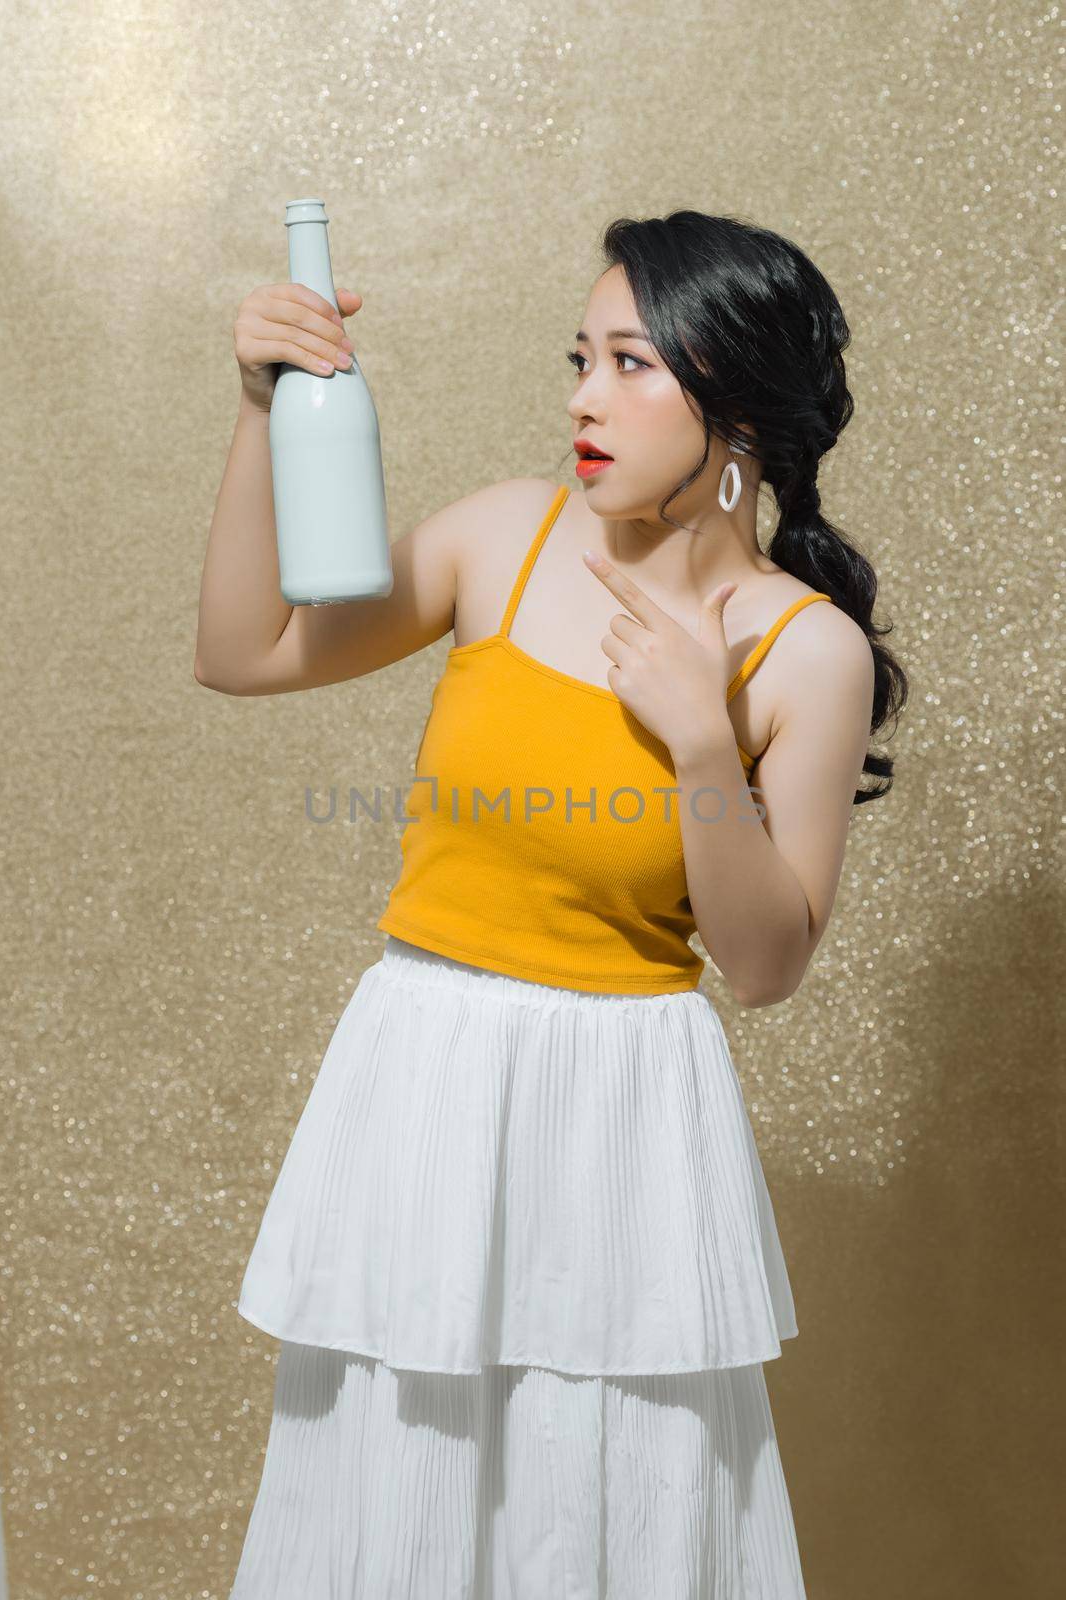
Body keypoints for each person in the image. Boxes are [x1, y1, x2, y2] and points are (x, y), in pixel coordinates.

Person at [195, 208, 908, 1598]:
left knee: (608, 1513)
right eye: (581, 357)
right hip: (422, 1074)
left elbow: (764, 966)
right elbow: (243, 650)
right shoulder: (506, 538)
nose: (585, 395)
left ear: (739, 407)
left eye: (633, 364)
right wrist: (258, 417)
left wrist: (704, 741)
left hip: (625, 1114)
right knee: (387, 1492)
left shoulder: (804, 654)